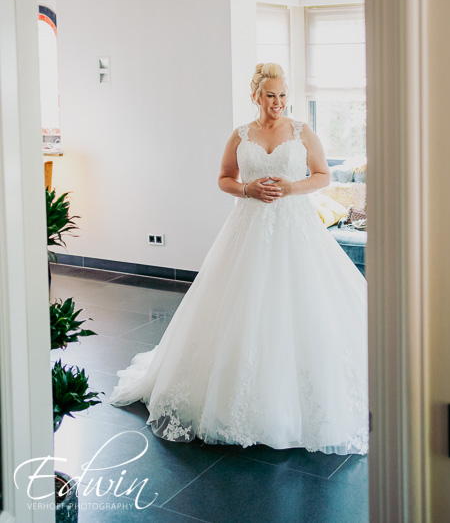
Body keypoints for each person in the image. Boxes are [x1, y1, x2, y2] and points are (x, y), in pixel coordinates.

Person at [110, 63, 368, 455]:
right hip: (247, 226)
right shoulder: (240, 134)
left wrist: (292, 187)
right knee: (239, 304)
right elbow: (224, 178)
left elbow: (322, 176)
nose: (278, 102)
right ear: (255, 96)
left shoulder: (302, 132)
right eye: (271, 95)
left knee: (299, 304)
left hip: (294, 226)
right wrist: (247, 189)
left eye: (283, 95)